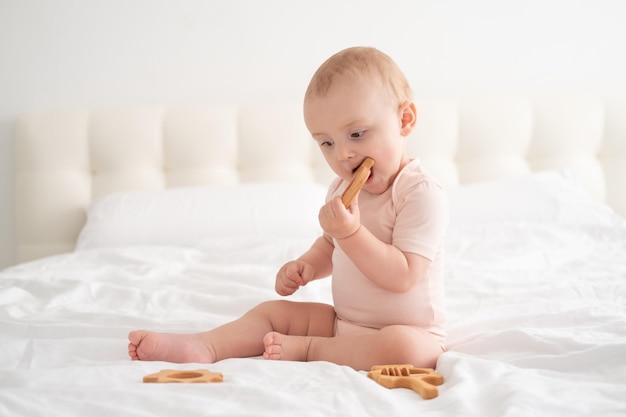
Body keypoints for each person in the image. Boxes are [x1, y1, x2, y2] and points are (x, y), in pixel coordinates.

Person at [128, 46, 449, 371]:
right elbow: (330, 245)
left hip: (412, 333)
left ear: (404, 120)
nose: (342, 155)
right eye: (327, 142)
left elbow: (403, 276)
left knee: (403, 350)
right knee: (274, 313)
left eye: (356, 134)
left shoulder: (419, 193)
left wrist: (350, 232)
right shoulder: (341, 190)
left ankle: (311, 349)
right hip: (344, 324)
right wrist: (307, 265)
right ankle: (204, 345)